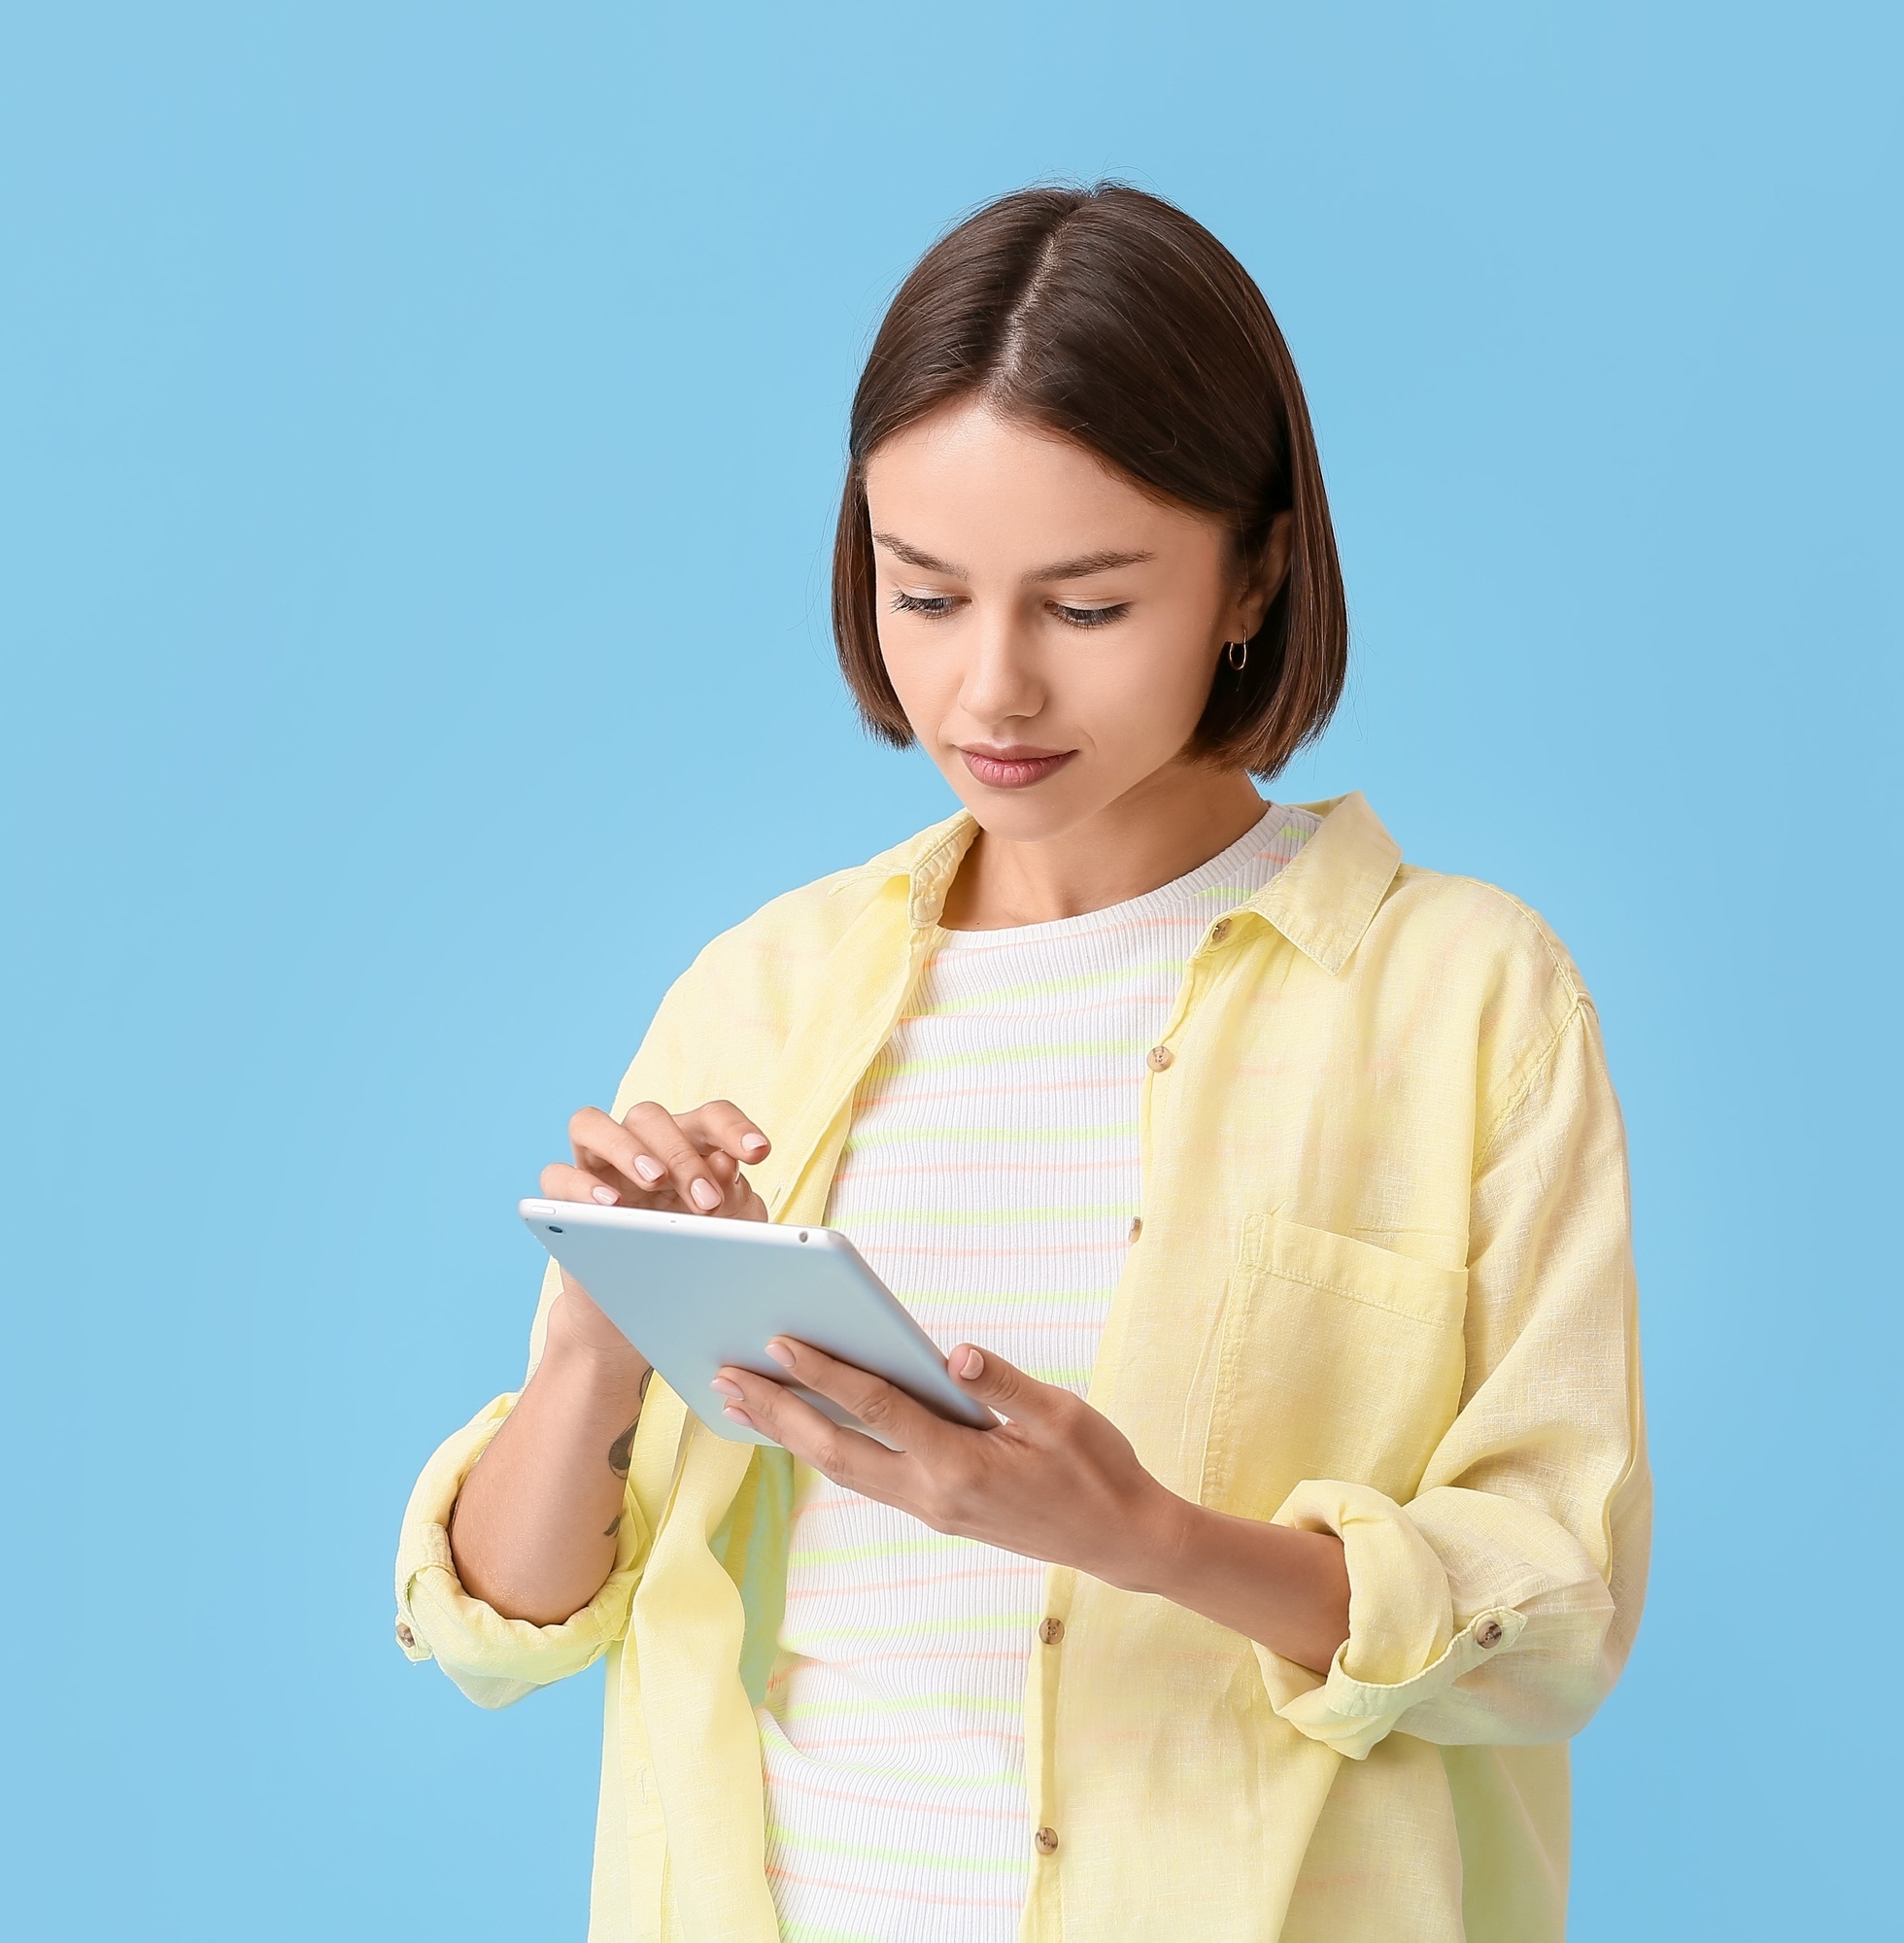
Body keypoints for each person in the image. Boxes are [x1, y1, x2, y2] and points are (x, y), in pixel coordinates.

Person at [393, 182, 1649, 1943]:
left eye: (1084, 608)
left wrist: (1144, 1537)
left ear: (1256, 573)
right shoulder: (763, 988)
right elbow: (506, 1624)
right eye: (925, 593)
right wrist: (594, 1361)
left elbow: (1558, 1607)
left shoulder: (1464, 1000)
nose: (986, 691)